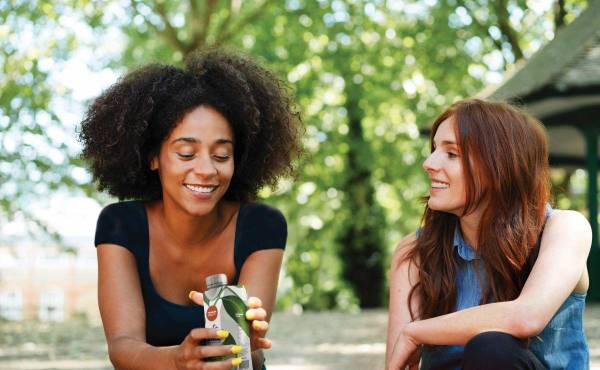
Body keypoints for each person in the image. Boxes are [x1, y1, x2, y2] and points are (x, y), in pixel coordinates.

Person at [79, 49, 302, 370]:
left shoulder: (262, 226)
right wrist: (178, 359)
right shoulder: (120, 225)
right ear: (153, 157)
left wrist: (247, 343)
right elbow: (122, 347)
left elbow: (245, 352)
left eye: (222, 156)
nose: (207, 169)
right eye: (186, 153)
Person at [386, 99, 591, 370]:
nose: (429, 163)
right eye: (434, 149)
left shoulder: (565, 228)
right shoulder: (415, 251)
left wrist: (416, 331)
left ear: (499, 166)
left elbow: (527, 317)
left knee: (492, 348)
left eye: (452, 154)